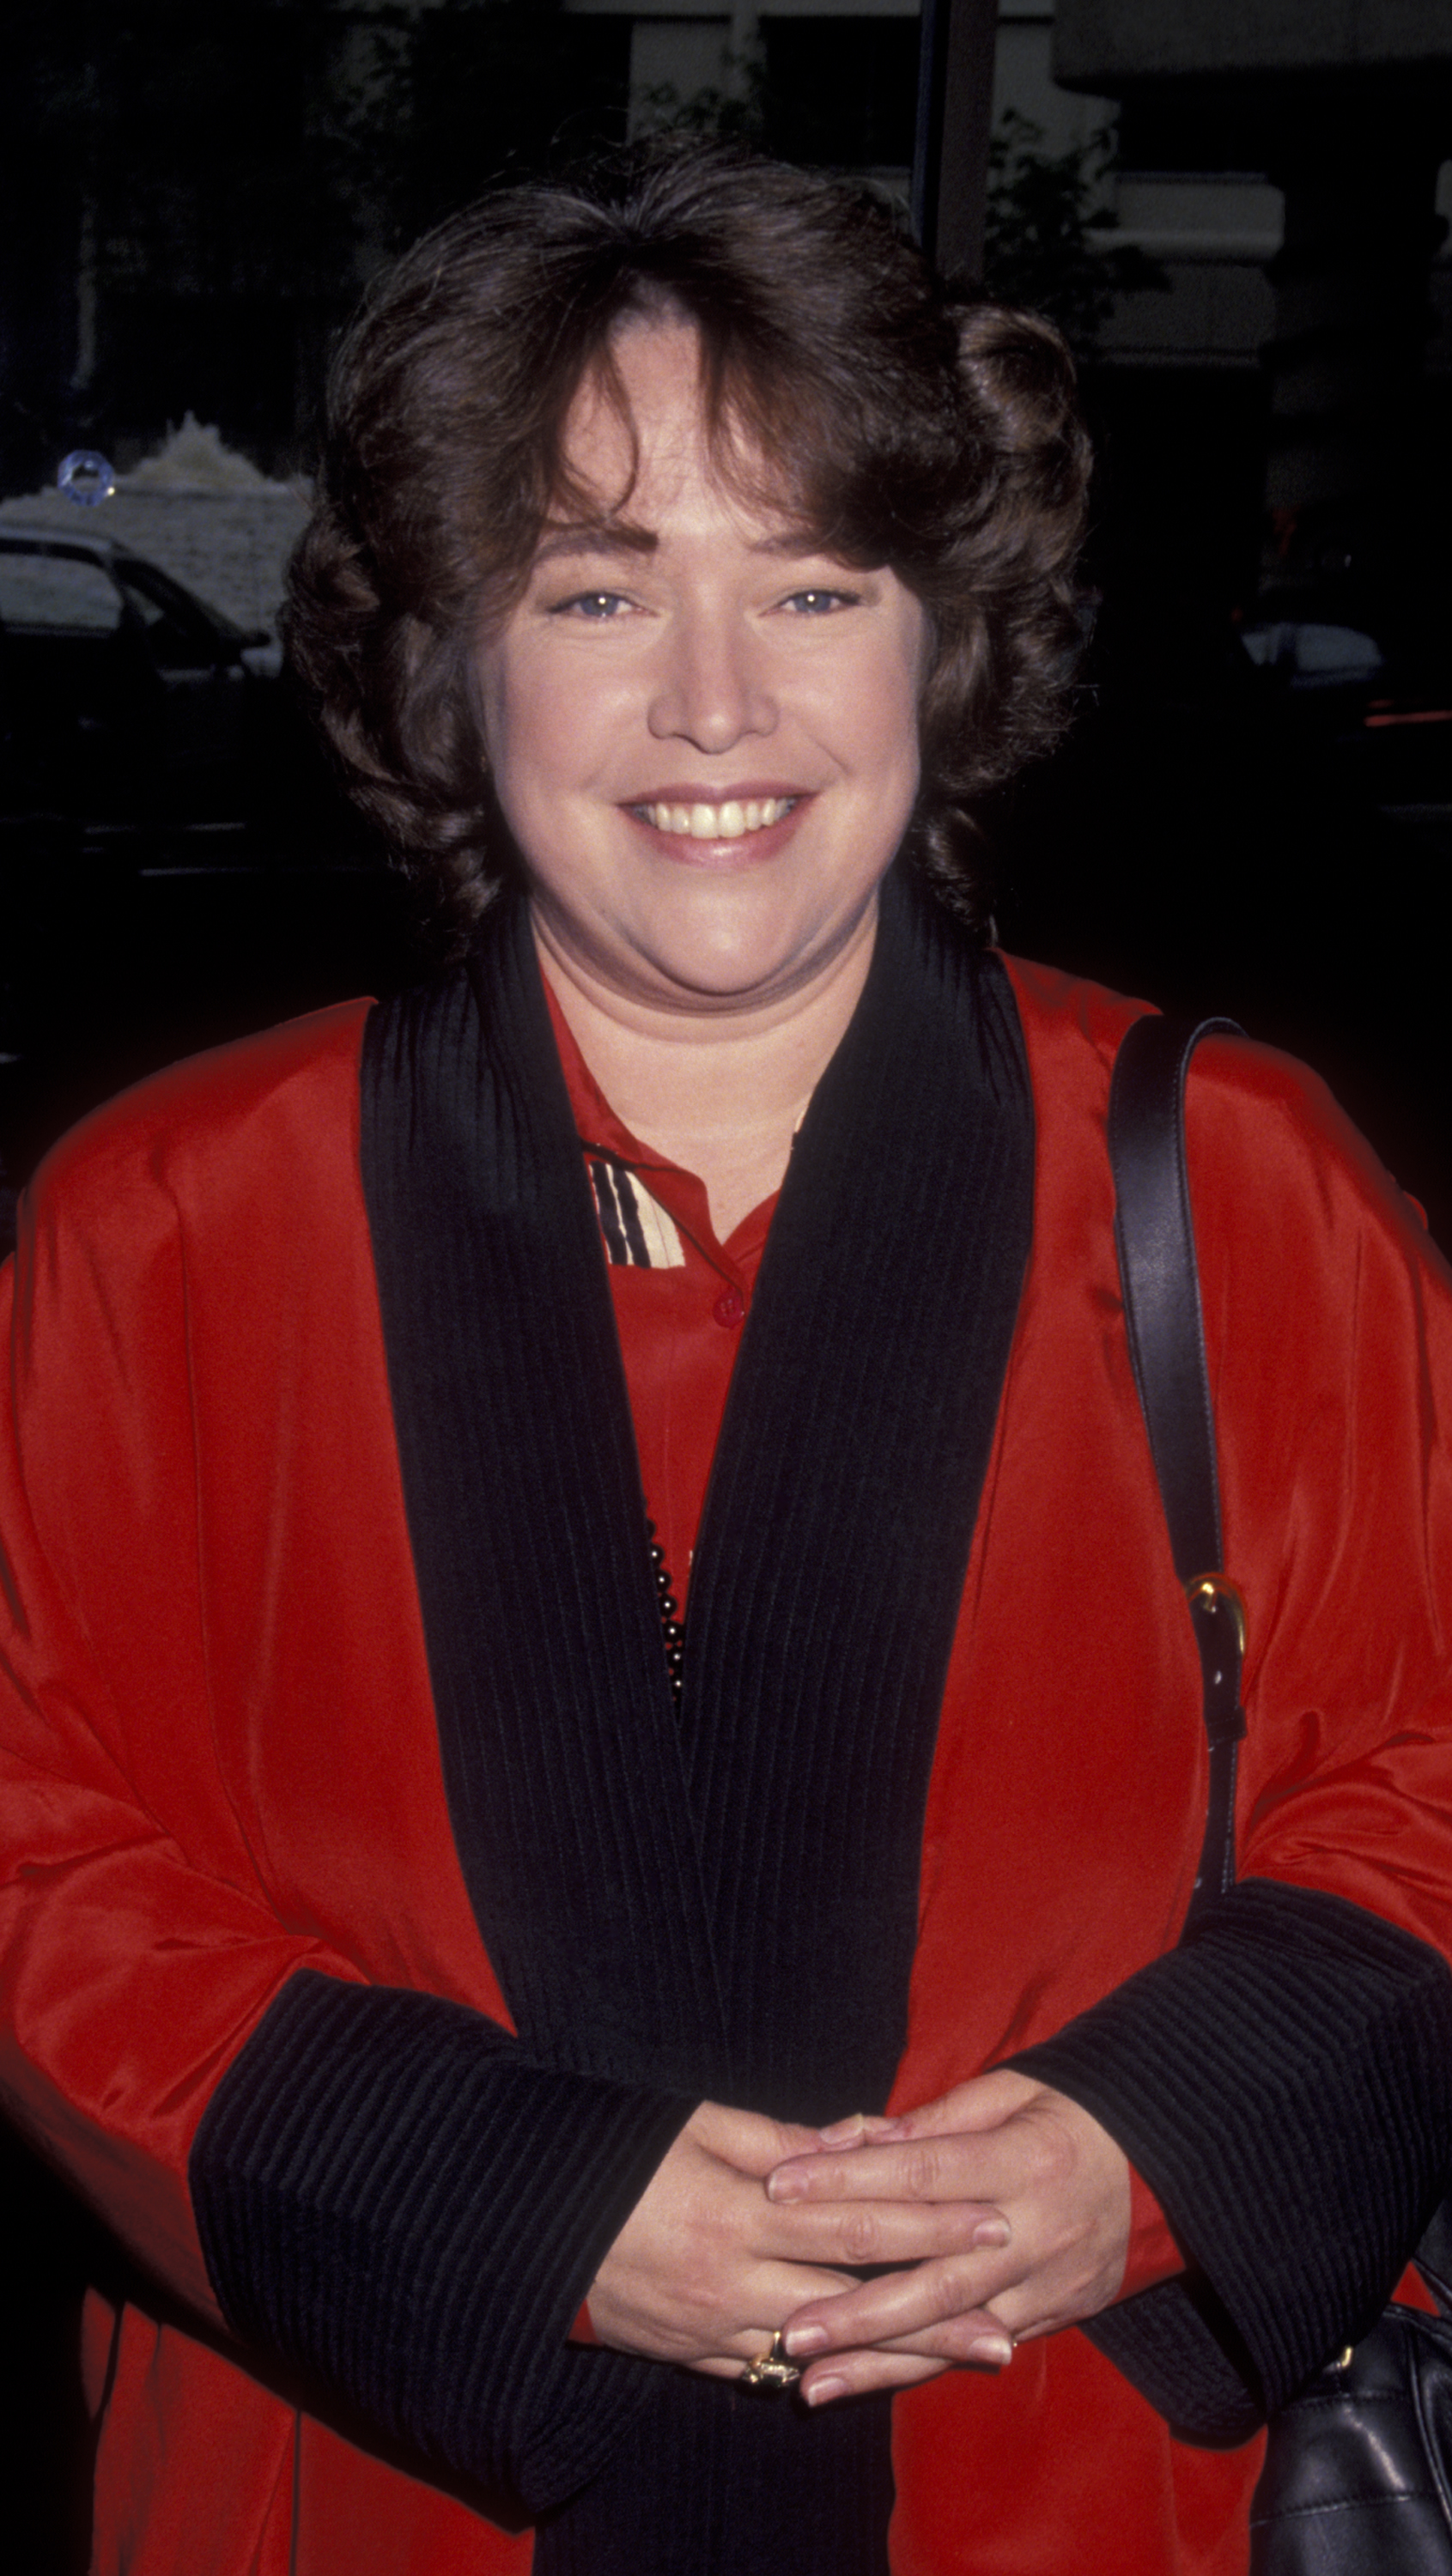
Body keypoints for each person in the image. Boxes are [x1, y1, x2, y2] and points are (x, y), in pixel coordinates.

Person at [3, 138, 1452, 2576]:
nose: (712, 703)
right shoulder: (163, 1226)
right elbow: (39, 1851)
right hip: (364, 2506)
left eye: (811, 583)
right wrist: (496, 2198)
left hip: (1055, 2490)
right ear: (450, 654)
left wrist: (1154, 2141)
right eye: (596, 586)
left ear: (939, 642)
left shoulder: (1239, 1190)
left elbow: (1424, 1761)